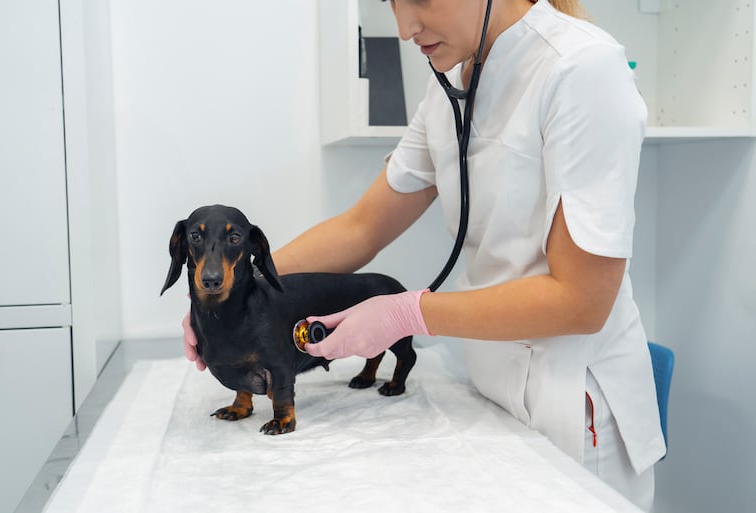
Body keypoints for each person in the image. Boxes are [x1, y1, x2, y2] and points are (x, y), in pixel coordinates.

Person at [183, 0, 666, 509]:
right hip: (491, 399)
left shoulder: (582, 69)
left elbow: (582, 301)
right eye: (393, 3)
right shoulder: (448, 88)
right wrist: (237, 289)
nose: (404, 27)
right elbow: (361, 228)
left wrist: (408, 313)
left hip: (573, 411)